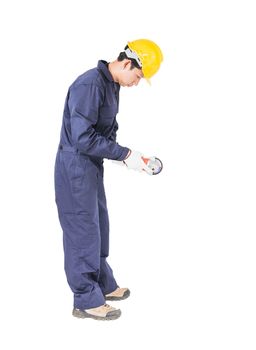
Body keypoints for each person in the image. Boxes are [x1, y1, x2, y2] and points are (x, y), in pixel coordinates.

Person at [54, 39, 163, 321]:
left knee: (99, 224)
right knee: (82, 230)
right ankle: (85, 299)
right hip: (75, 165)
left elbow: (106, 130)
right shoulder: (90, 84)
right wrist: (124, 153)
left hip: (91, 165)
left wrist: (130, 159)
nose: (136, 83)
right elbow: (82, 136)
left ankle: (103, 283)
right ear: (128, 63)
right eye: (137, 77)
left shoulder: (111, 86)